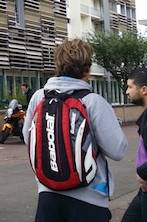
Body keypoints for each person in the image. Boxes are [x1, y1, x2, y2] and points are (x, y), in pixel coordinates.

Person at [22, 38, 128, 222]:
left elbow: (27, 137)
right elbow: (117, 150)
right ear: (87, 70)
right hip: (89, 197)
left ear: (58, 65)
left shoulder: (39, 97)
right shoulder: (93, 101)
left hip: (48, 194)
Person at [122, 68, 147, 221]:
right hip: (143, 190)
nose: (127, 91)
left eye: (130, 87)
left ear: (144, 90)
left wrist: (143, 173)